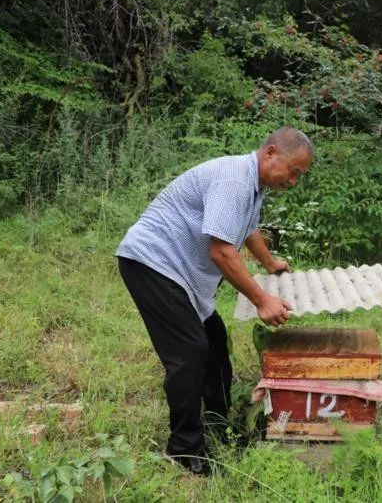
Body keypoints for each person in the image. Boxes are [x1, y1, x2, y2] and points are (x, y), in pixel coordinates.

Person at [116, 127, 313, 475]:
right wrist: (261, 298)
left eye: (300, 176)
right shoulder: (234, 181)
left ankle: (218, 421)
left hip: (180, 270)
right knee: (189, 351)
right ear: (270, 153)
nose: (294, 181)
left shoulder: (253, 186)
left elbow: (247, 230)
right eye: (293, 171)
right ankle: (185, 449)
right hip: (152, 261)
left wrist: (269, 264)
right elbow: (222, 251)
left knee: (214, 341)